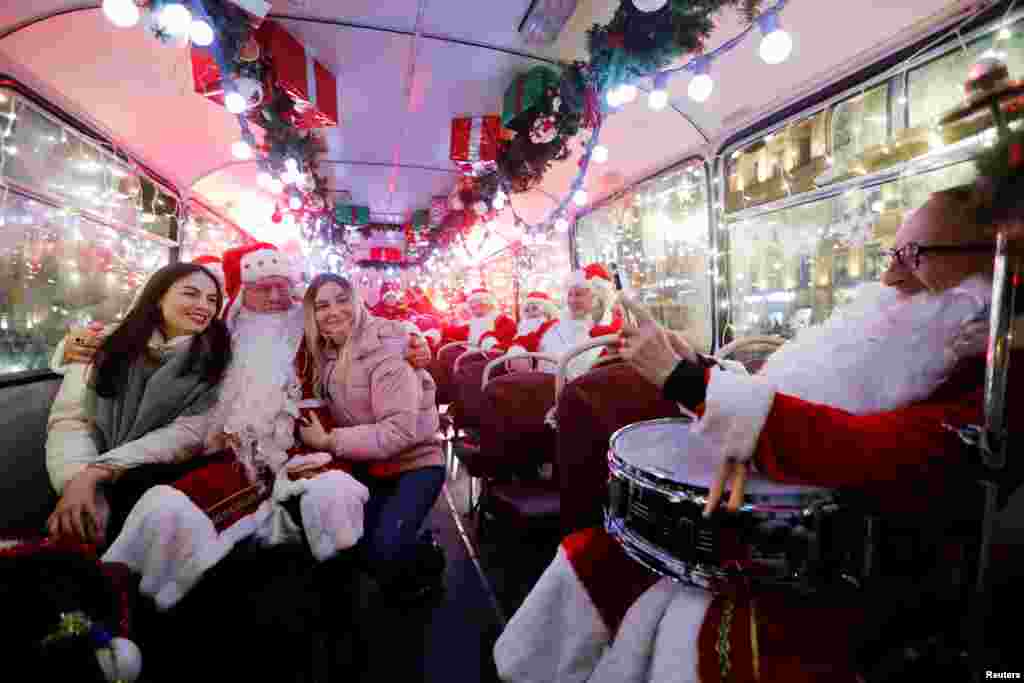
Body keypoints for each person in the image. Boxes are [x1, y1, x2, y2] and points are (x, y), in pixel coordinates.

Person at [493, 185, 1024, 682]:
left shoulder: (988, 381)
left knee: (692, 628)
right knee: (596, 557)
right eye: (894, 255)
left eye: (916, 256)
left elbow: (864, 448)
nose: (891, 279)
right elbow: (794, 395)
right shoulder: (916, 338)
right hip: (779, 527)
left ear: (991, 265)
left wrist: (689, 381)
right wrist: (693, 366)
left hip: (861, 566)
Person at [45, 262, 230, 546]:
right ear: (157, 297)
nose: (203, 306)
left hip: (154, 472)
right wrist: (75, 480)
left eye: (212, 299)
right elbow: (71, 421)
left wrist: (99, 472)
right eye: (191, 294)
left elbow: (186, 434)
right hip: (81, 466)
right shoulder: (105, 344)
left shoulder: (216, 359)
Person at [295, 273, 447, 601]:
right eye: (322, 305)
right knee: (351, 543)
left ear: (358, 301)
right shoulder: (322, 350)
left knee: (383, 553)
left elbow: (398, 432)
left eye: (342, 300)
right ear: (311, 313)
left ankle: (427, 554)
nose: (333, 311)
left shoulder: (390, 348)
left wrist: (327, 441)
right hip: (367, 463)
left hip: (415, 463)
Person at [502, 263, 623, 381]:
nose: (572, 300)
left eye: (578, 295)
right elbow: (524, 341)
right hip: (543, 389)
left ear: (597, 298)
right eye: (570, 295)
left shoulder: (612, 326)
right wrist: (517, 350)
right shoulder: (552, 325)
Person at [440, 287, 517, 349]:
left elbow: (507, 341)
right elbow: (460, 332)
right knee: (444, 350)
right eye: (470, 303)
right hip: (472, 353)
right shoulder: (474, 321)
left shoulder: (501, 319)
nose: (472, 306)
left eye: (475, 302)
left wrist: (488, 339)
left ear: (487, 303)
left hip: (491, 357)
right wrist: (440, 330)